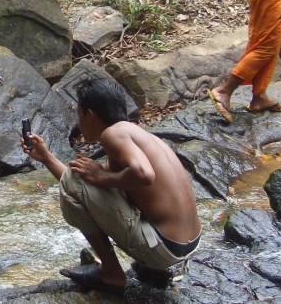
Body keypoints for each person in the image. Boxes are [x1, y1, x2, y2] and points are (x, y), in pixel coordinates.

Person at [21, 78, 201, 295]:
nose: (79, 123)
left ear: (90, 114)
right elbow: (86, 186)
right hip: (184, 245)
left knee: (84, 178)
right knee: (87, 178)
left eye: (79, 115)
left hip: (163, 247)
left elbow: (144, 174)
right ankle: (155, 271)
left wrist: (101, 178)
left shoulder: (112, 134)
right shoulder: (135, 134)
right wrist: (47, 158)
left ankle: (111, 273)